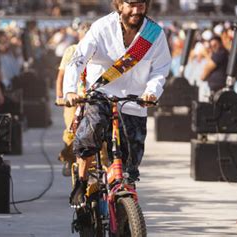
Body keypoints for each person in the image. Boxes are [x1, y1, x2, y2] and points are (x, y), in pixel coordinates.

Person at [63, 0, 171, 204]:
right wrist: (69, 91)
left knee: (131, 160)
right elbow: (78, 60)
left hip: (135, 102)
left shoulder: (154, 34)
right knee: (90, 134)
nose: (136, 10)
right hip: (101, 94)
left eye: (141, 4)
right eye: (131, 4)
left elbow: (160, 69)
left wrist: (151, 91)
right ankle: (82, 182)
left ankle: (125, 207)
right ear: (119, 5)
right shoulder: (102, 27)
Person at [56, 24, 89, 177]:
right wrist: (60, 95)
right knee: (71, 130)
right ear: (79, 35)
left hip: (92, 97)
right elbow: (62, 74)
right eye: (85, 33)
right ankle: (69, 159)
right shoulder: (72, 50)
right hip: (73, 97)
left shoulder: (99, 49)